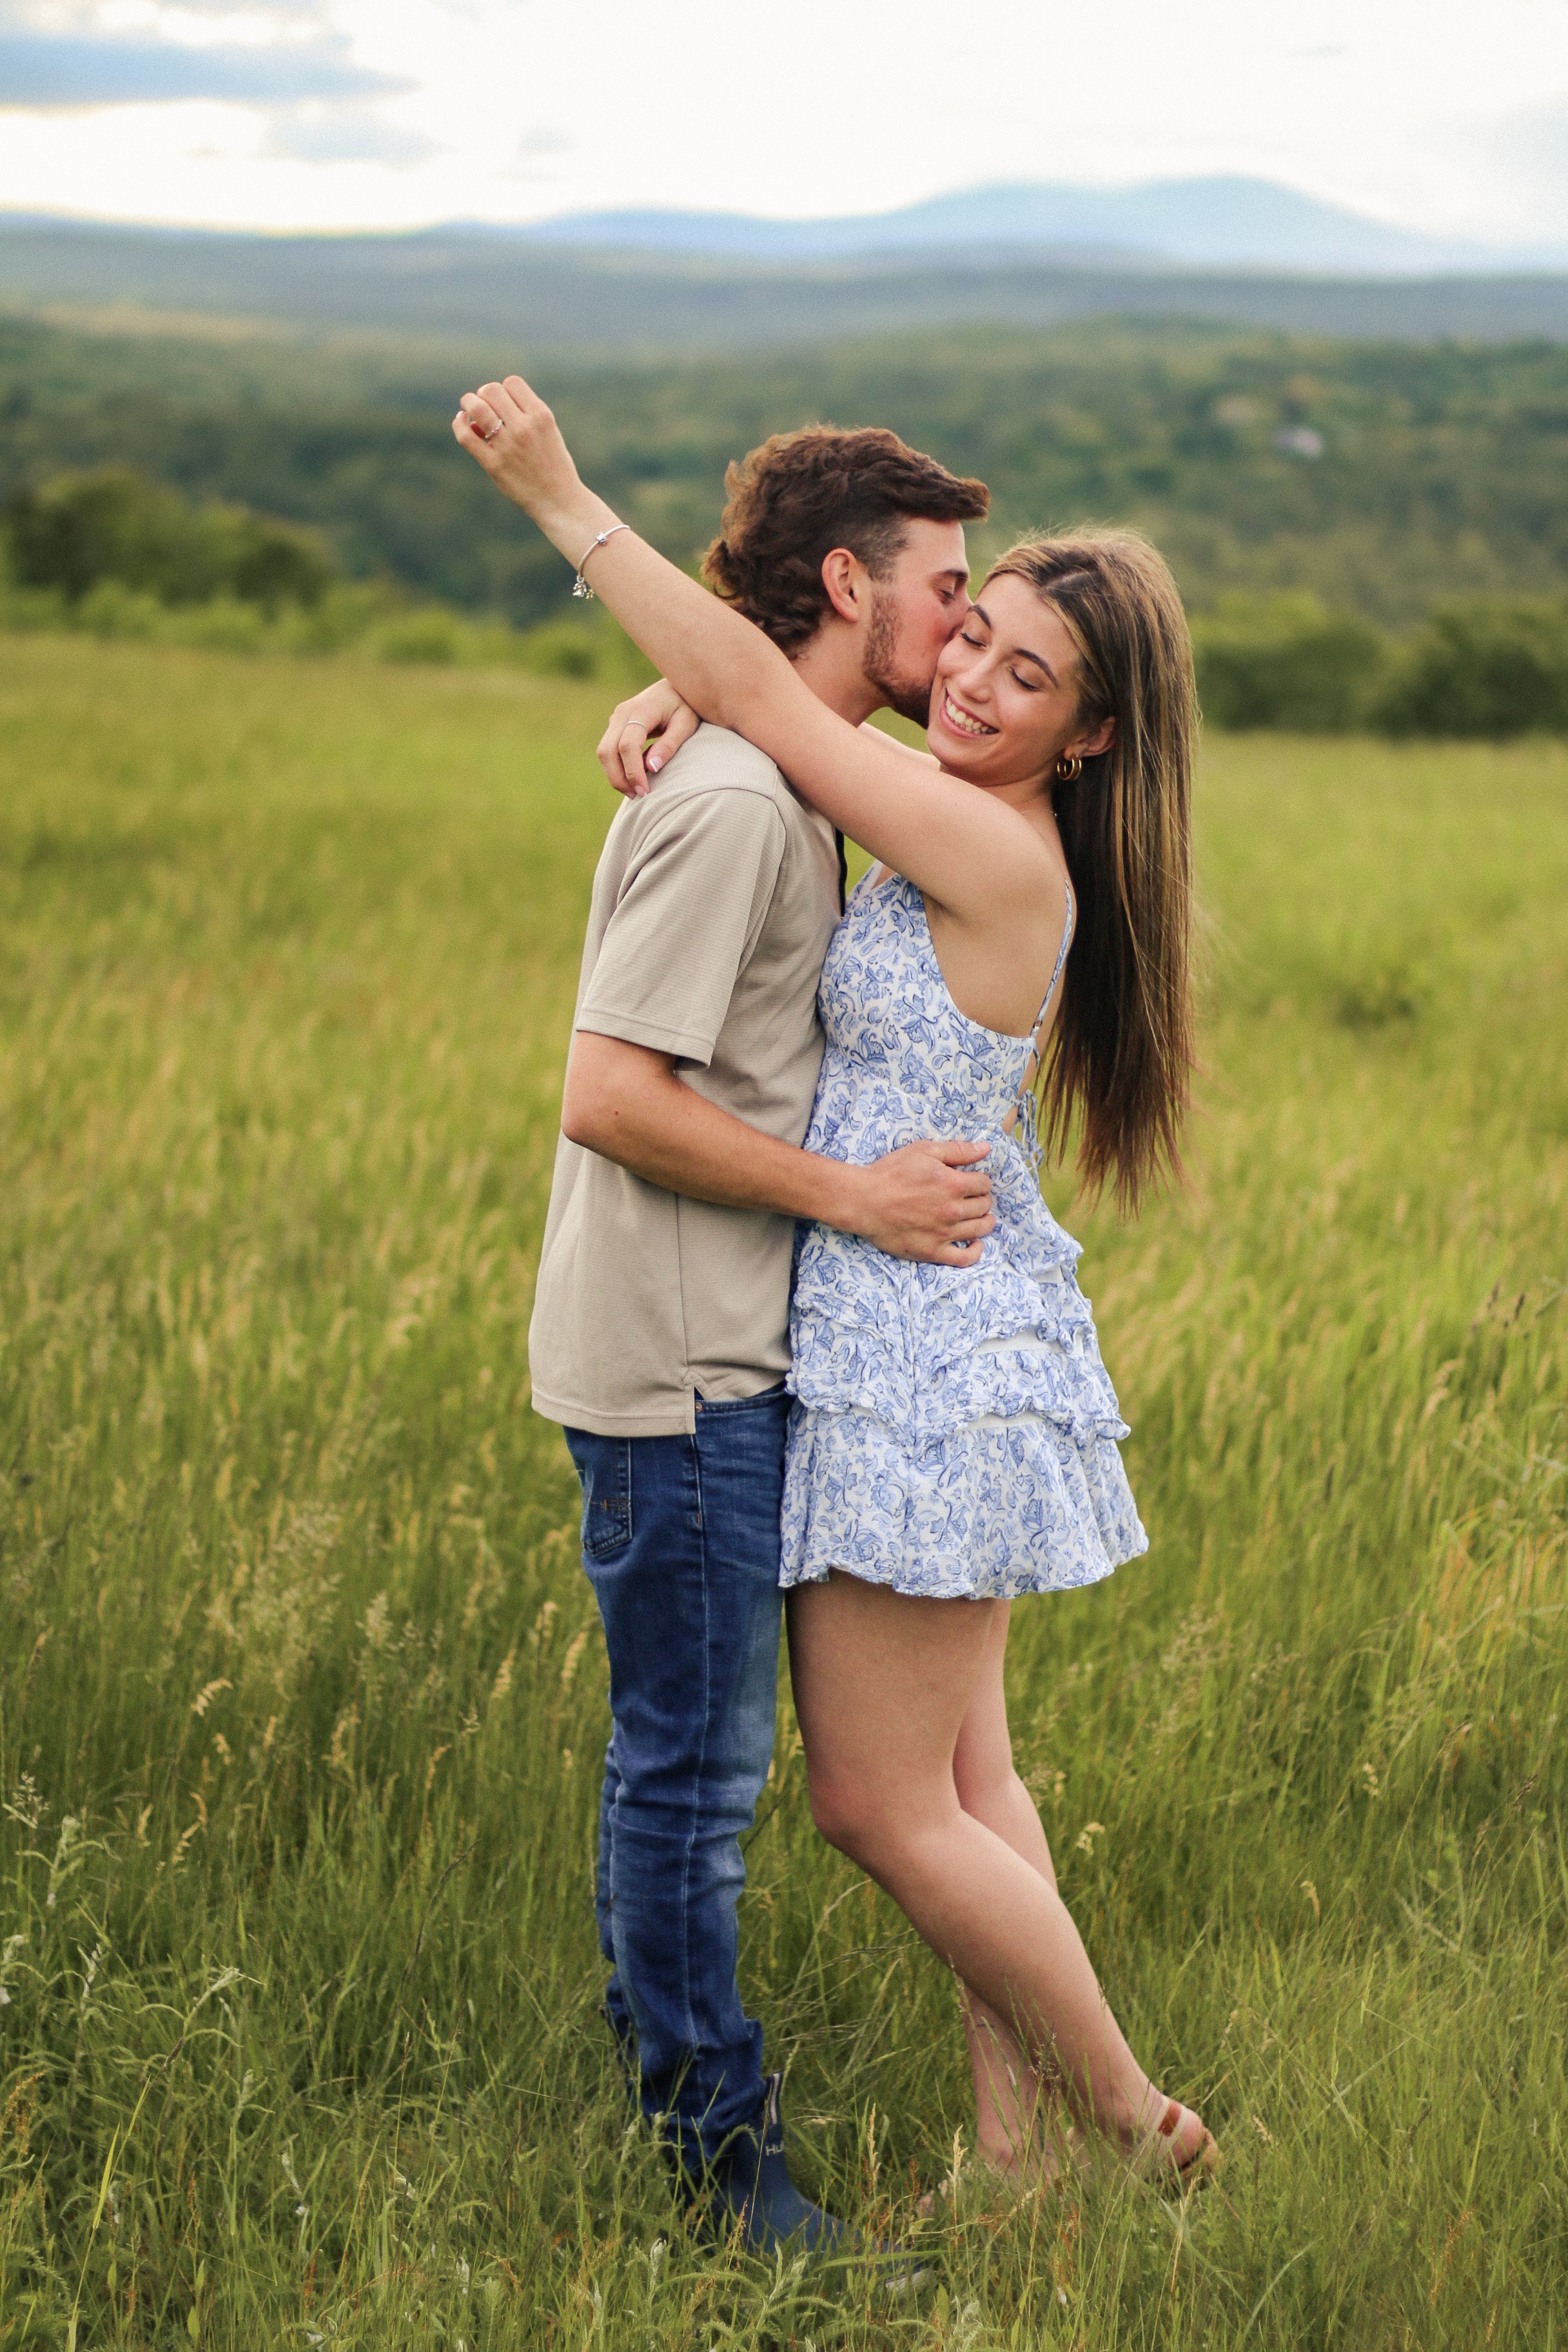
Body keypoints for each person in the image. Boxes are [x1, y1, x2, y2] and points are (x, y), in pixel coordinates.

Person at [455, 371, 1221, 2199]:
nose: (969, 674)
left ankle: (1139, 2125)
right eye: (975, 630)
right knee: (969, 1782)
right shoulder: (952, 806)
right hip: (924, 1313)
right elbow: (767, 713)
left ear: (1094, 738)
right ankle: (1021, 2158)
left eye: (1023, 674)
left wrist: (568, 507)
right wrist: (682, 688)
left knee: (879, 1805)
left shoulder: (973, 838)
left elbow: (764, 706)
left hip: (919, 1340)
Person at [511, 412, 995, 2252]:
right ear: (848, 585)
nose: (961, 633)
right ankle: (722, 2182)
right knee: (691, 1786)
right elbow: (608, 1097)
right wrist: (860, 1202)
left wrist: (668, 690)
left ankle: (684, 2102)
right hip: (683, 1373)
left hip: (722, 1357)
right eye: (947, 596)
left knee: (688, 1775)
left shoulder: (777, 772)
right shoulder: (729, 807)